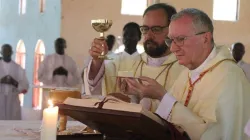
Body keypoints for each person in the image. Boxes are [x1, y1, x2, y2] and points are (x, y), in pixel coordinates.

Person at [124, 8, 250, 140]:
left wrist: (162, 96)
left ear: (205, 38)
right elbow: (174, 110)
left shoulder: (230, 78)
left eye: (180, 39)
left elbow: (217, 135)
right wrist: (146, 100)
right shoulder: (188, 72)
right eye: (170, 40)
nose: (172, 48)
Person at [87, 3, 185, 112]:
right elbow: (101, 83)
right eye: (145, 29)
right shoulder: (130, 63)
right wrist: (97, 60)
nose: (149, 35)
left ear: (172, 30)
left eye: (156, 29)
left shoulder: (185, 68)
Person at [38, 38, 81, 109]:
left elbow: (77, 80)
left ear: (65, 46)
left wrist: (66, 73)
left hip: (65, 96)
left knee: (64, 116)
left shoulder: (71, 61)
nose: (59, 46)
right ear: (55, 46)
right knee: (50, 116)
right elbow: (40, 76)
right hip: (50, 95)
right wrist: (53, 73)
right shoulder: (47, 59)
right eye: (57, 45)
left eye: (61, 44)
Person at [0, 44, 29, 120]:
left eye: (8, 51)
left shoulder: (17, 68)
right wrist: (1, 80)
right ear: (1, 52)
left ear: (12, 52)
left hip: (13, 100)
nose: (6, 53)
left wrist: (14, 82)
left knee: (13, 125)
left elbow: (25, 86)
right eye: (4, 51)